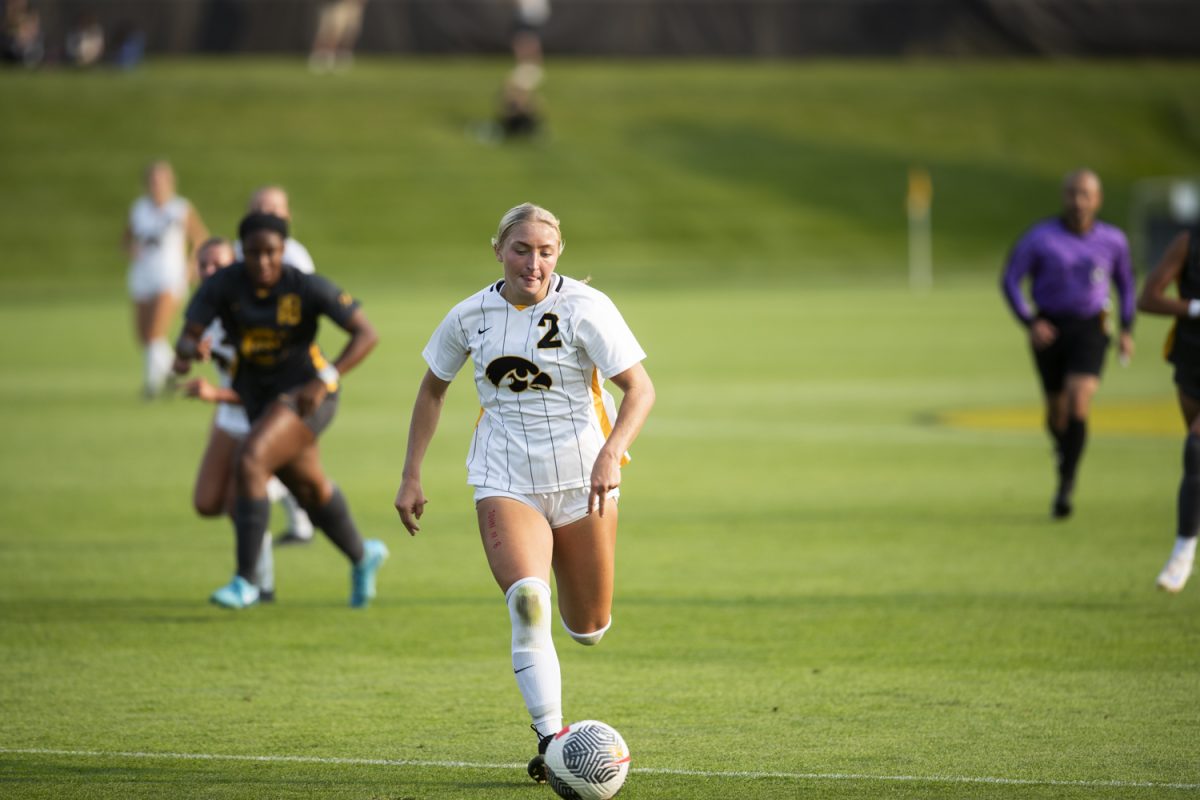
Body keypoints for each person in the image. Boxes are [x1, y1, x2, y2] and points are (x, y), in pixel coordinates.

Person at [393, 203, 655, 782]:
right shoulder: (469, 316)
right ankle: (552, 740)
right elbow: (432, 390)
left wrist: (612, 453)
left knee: (589, 626)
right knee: (527, 601)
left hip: (584, 479)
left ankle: (574, 650)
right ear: (498, 250)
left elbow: (639, 389)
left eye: (545, 251)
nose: (532, 263)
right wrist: (412, 473)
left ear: (559, 253)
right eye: (521, 249)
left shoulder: (587, 308)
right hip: (504, 478)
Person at [175, 212, 387, 609]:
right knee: (310, 489)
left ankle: (246, 580)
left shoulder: (304, 287)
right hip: (260, 401)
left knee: (251, 459)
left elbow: (367, 333)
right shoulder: (223, 285)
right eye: (254, 253)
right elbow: (187, 337)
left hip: (307, 396)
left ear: (284, 251)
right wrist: (187, 352)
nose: (263, 262)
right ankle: (363, 556)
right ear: (242, 253)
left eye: (272, 253)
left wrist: (326, 378)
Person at [180, 236, 319, 600]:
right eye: (203, 264)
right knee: (206, 502)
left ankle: (260, 584)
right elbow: (182, 358)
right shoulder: (207, 308)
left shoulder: (254, 311)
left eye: (217, 264)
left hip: (261, 415)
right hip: (230, 415)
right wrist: (189, 351)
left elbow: (266, 386)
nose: (210, 271)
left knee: (238, 501)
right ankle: (284, 486)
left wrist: (214, 393)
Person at [1001, 168, 1135, 519]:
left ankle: (1066, 482)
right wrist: (1030, 321)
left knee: (1079, 400)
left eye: (1085, 194)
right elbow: (1011, 279)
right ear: (1063, 197)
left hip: (1091, 327)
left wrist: (1126, 329)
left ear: (1098, 199)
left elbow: (1126, 283)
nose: (1078, 201)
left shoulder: (1113, 240)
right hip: (1050, 327)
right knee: (1056, 412)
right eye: (1072, 193)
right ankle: (1064, 452)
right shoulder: (1040, 238)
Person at [1137, 227, 1200, 592]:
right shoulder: (1188, 243)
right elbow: (1149, 298)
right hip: (1190, 361)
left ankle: (1182, 551)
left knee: (1195, 448)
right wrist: (1194, 307)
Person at [123, 160, 209, 399]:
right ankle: (172, 373)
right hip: (142, 275)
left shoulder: (180, 208)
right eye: (153, 181)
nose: (157, 185)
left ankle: (152, 385)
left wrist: (193, 264)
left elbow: (200, 237)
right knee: (143, 337)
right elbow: (126, 240)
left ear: (170, 182)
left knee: (154, 333)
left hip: (170, 275)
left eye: (162, 180)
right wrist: (132, 249)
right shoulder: (139, 209)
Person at [308, 0, 367, 73]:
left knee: (349, 33)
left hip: (353, 5)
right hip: (335, 5)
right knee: (331, 31)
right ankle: (321, 58)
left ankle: (341, 58)